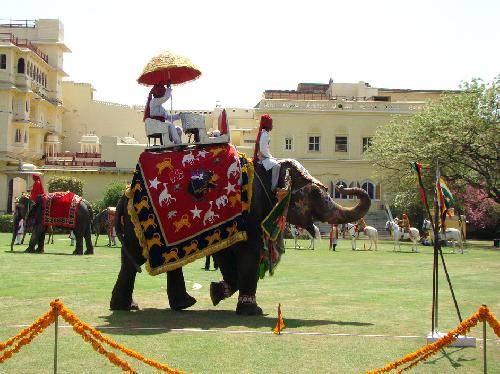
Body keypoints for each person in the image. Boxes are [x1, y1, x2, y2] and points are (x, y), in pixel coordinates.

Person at [254, 114, 281, 191]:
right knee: (277, 166)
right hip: (262, 158)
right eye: (271, 124)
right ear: (267, 125)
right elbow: (263, 150)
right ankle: (273, 187)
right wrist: (270, 157)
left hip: (263, 156)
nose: (272, 126)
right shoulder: (264, 134)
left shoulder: (263, 133)